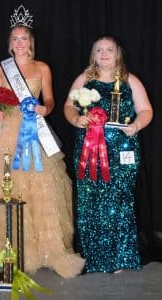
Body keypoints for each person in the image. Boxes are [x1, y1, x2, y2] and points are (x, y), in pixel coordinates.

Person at [0, 5, 85, 278]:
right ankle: (9, 247)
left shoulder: (42, 67)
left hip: (34, 127)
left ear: (31, 42)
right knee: (7, 184)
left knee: (42, 184)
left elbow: (52, 100)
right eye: (15, 39)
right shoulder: (1, 67)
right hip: (7, 128)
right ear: (10, 42)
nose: (20, 43)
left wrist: (46, 108)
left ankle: (46, 249)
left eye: (24, 39)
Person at [64, 35, 153, 273]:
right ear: (93, 55)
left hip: (122, 149)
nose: (104, 54)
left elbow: (145, 110)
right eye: (99, 50)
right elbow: (69, 106)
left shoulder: (130, 80)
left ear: (118, 54)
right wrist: (76, 118)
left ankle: (120, 257)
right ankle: (92, 256)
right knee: (90, 200)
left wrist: (135, 126)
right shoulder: (84, 79)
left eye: (109, 50)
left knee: (120, 201)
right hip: (88, 149)